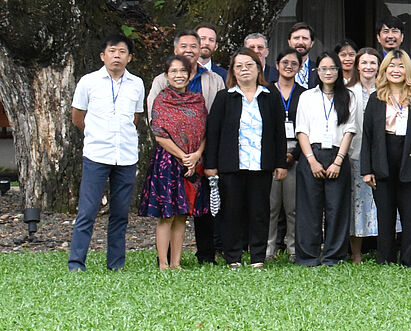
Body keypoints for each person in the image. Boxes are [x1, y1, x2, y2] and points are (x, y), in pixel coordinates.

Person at [202, 51, 287, 269]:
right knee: (232, 212)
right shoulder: (225, 97)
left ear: (259, 68)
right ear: (233, 71)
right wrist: (210, 165)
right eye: (238, 66)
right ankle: (233, 258)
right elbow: (213, 133)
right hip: (231, 165)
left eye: (249, 65)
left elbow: (279, 132)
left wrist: (280, 163)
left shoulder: (270, 96)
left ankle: (257, 257)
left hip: (261, 164)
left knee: (260, 212)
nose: (244, 69)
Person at [68, 37, 144, 272]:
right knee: (88, 211)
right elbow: (78, 117)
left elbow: (135, 117)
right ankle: (76, 263)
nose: (117, 56)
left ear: (129, 57)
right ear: (103, 56)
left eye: (123, 52)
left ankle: (116, 264)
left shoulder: (137, 83)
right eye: (112, 51)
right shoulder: (89, 82)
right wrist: (96, 133)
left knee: (120, 213)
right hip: (96, 154)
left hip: (126, 156)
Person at [361, 51, 411, 267]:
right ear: (384, 70)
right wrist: (367, 169)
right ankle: (385, 258)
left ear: (408, 70)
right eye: (391, 66)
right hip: (383, 157)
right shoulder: (376, 99)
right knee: (385, 215)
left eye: (401, 66)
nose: (396, 70)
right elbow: (367, 136)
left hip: (410, 158)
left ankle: (410, 259)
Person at [293, 51, 356, 266]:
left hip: (338, 154)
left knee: (337, 208)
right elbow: (301, 130)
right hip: (311, 154)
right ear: (316, 71)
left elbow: (349, 131)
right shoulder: (307, 96)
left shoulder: (349, 96)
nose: (328, 73)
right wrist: (311, 160)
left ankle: (334, 256)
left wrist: (338, 161)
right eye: (323, 69)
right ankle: (308, 256)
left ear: (339, 71)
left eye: (332, 68)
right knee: (308, 208)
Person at [144, 56, 206, 269]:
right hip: (169, 163)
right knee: (166, 215)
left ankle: (176, 263)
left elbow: (205, 131)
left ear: (190, 75)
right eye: (173, 71)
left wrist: (196, 154)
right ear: (166, 75)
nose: (178, 75)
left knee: (182, 215)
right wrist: (182, 155)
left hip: (193, 163)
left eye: (183, 71)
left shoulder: (198, 100)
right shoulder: (161, 99)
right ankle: (163, 263)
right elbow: (159, 134)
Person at [267, 49, 304, 259]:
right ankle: (268, 249)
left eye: (294, 63)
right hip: (271, 157)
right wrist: (276, 155)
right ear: (277, 65)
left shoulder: (305, 93)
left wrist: (295, 153)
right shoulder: (266, 92)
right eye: (285, 62)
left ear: (299, 67)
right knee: (270, 207)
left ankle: (293, 250)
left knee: (293, 208)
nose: (289, 66)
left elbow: (308, 127)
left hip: (296, 153)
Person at [346, 48, 381, 263]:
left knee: (380, 204)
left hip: (382, 156)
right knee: (356, 204)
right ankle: (356, 254)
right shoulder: (347, 91)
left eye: (373, 63)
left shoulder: (386, 90)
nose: (368, 67)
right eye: (364, 62)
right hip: (354, 155)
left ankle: (382, 250)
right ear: (357, 66)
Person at [287, 22, 315, 87]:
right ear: (289, 42)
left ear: (312, 43)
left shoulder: (318, 69)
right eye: (296, 38)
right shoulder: (277, 71)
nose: (300, 42)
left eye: (305, 38)